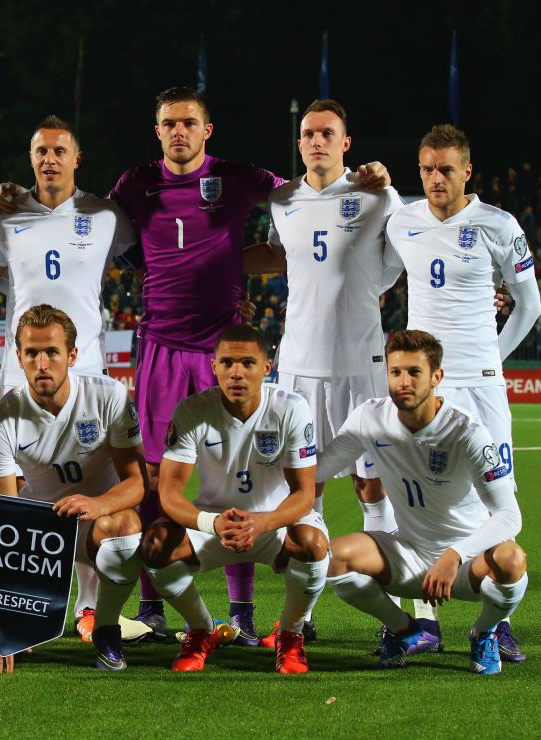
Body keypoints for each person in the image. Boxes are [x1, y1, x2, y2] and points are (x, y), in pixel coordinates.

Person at [109, 87, 388, 644]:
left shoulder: (241, 177)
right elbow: (116, 240)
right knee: (154, 474)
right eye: (169, 123)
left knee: (239, 473)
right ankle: (151, 604)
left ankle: (240, 611)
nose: (179, 131)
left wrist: (362, 174)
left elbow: (306, 197)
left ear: (206, 129)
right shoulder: (134, 183)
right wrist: (169, 269)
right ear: (156, 129)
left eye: (189, 122)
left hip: (224, 343)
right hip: (162, 343)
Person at [244, 99, 405, 645]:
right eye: (309, 133)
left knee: (372, 485)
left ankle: (396, 613)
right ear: (300, 142)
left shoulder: (377, 195)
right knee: (302, 491)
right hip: (298, 368)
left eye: (327, 133)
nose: (316, 141)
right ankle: (303, 614)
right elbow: (279, 259)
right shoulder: (282, 200)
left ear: (346, 142)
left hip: (361, 367)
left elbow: (400, 258)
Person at [0, 116, 137, 641]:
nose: (49, 159)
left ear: (76, 159)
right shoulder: (6, 216)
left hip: (87, 368)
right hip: (22, 371)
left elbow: (147, 265)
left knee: (94, 486)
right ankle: (22, 603)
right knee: (20, 488)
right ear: (30, 157)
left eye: (59, 151)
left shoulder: (106, 214)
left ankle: (89, 609)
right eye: (41, 151)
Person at [385, 124, 540, 659]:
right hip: (425, 390)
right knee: (417, 492)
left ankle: (494, 623)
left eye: (445, 169)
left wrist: (492, 358)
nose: (434, 179)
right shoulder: (401, 220)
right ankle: (421, 618)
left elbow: (530, 304)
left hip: (480, 387)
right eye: (426, 168)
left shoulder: (499, 224)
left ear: (467, 171)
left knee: (497, 500)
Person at [324, 330, 529, 675]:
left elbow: (509, 516)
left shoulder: (468, 432)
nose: (403, 382)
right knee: (334, 557)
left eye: (414, 372)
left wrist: (455, 555)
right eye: (395, 372)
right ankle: (404, 629)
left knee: (511, 560)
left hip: (468, 563)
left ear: (437, 377)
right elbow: (315, 470)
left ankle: (485, 632)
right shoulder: (369, 419)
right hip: (410, 556)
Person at [0, 305, 146, 672]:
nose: (42, 363)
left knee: (125, 528)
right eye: (32, 353)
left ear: (73, 355)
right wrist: (3, 617)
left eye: (52, 352)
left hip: (96, 524)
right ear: (19, 357)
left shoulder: (109, 396)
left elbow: (137, 483)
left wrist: (97, 505)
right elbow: (3, 516)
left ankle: (106, 628)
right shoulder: (3, 418)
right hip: (38, 537)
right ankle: (26, 616)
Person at [140, 324, 328, 673]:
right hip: (216, 522)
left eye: (247, 363)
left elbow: (304, 493)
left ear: (266, 368)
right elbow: (168, 493)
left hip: (274, 522)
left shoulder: (291, 408)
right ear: (214, 367)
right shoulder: (193, 410)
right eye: (227, 363)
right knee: (155, 545)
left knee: (314, 543)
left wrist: (263, 522)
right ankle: (202, 630)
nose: (236, 372)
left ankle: (290, 634)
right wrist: (210, 522)